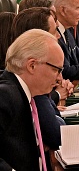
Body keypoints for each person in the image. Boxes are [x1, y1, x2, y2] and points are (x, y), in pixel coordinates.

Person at [0, 29, 64, 170]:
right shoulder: (5, 96)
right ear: (32, 65)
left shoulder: (26, 94)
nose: (59, 78)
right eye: (56, 70)